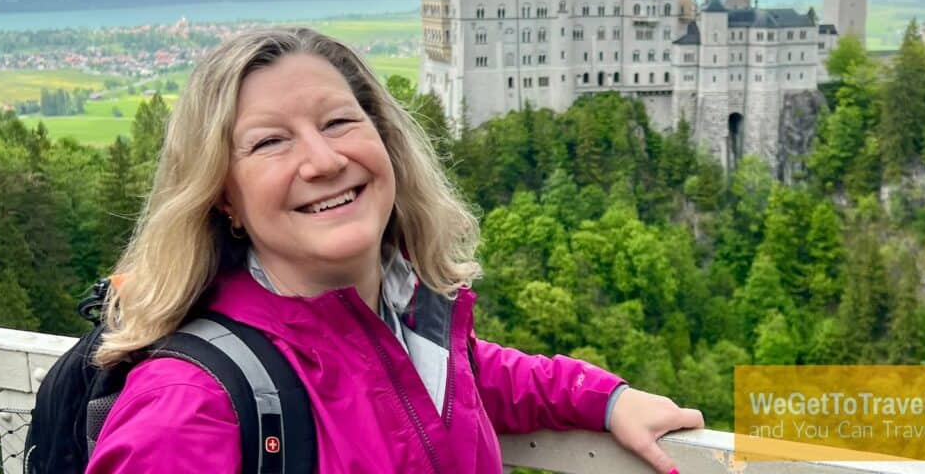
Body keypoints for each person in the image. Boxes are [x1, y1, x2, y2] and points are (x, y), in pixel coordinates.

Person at [87, 27, 703, 473]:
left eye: (337, 123)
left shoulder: (406, 329)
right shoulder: (189, 408)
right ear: (223, 196)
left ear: (384, 140)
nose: (325, 161)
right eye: (271, 142)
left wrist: (606, 399)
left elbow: (464, 378)